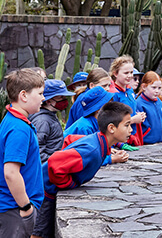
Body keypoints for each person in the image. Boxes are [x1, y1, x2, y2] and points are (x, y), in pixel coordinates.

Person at [31, 102, 133, 238]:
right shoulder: (92, 150)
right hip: (45, 192)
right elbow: (54, 163)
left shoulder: (97, 142)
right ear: (111, 128)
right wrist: (69, 183)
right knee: (40, 233)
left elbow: (68, 140)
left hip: (47, 190)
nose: (131, 129)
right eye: (127, 125)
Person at [0, 69, 45, 238]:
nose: (43, 98)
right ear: (24, 95)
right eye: (40, 93)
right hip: (14, 210)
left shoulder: (12, 119)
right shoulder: (19, 129)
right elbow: (11, 173)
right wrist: (26, 208)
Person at [63, 86, 128, 165]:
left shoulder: (99, 122)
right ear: (99, 109)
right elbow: (85, 157)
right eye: (109, 105)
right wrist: (111, 159)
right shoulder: (85, 127)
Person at [29, 79, 75, 163]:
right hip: (48, 169)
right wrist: (56, 162)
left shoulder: (51, 115)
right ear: (48, 101)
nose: (64, 100)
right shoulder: (42, 121)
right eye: (61, 97)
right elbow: (37, 151)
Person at [109, 55, 146, 144]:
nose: (130, 76)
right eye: (126, 73)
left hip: (134, 135)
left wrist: (138, 115)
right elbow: (111, 119)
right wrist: (133, 120)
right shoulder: (112, 93)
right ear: (115, 73)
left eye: (131, 72)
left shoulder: (130, 91)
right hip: (120, 139)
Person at [136, 71, 162, 144]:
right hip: (146, 144)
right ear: (144, 87)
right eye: (154, 88)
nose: (157, 91)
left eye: (159, 88)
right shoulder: (139, 104)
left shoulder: (159, 102)